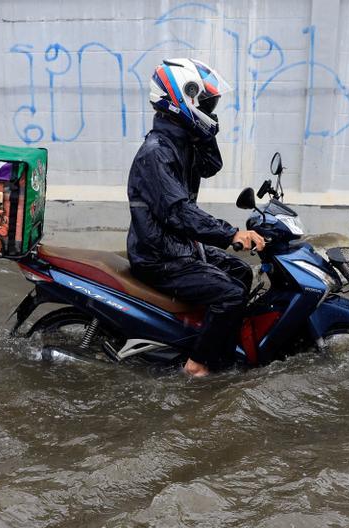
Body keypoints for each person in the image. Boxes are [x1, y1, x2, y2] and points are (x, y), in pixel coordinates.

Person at [127, 58, 266, 377]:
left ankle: (217, 344)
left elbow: (210, 166)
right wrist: (232, 234)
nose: (211, 108)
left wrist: (205, 131)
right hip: (160, 256)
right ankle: (197, 363)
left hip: (180, 246)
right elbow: (180, 212)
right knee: (230, 293)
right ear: (181, 100)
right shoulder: (156, 154)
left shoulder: (180, 141)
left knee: (242, 273)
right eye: (206, 102)